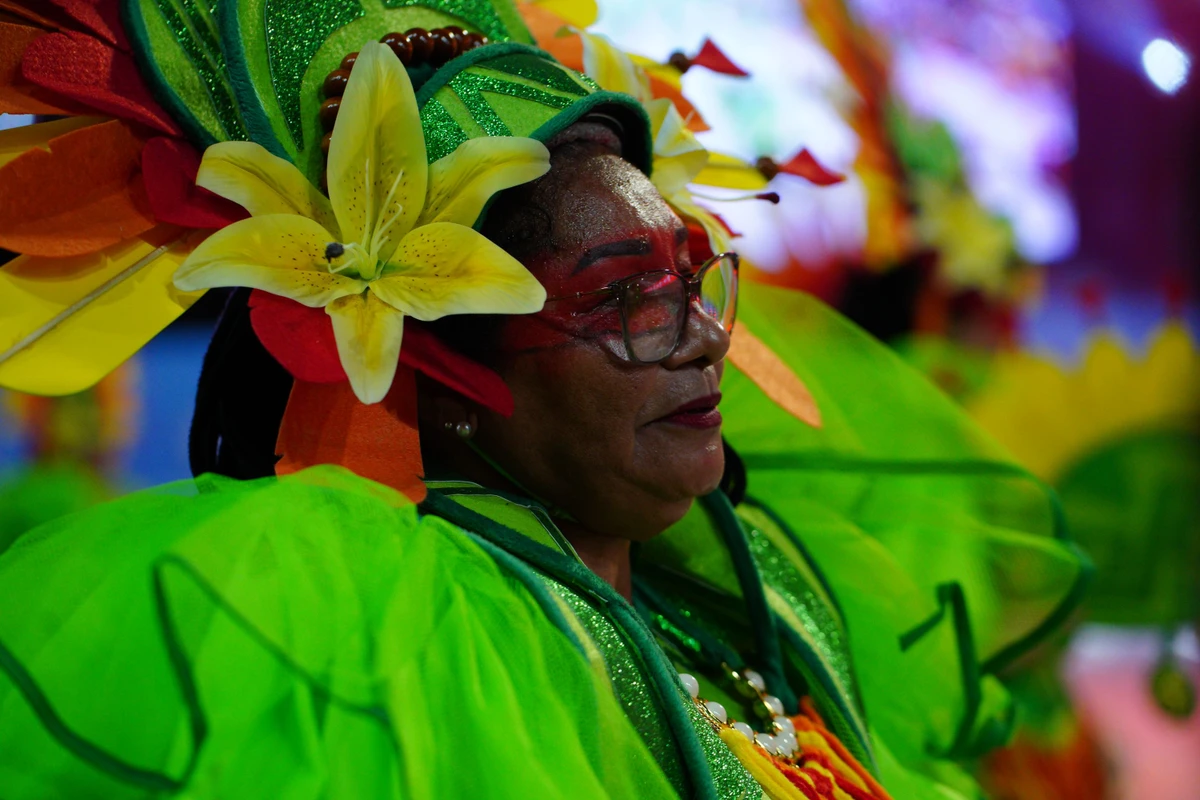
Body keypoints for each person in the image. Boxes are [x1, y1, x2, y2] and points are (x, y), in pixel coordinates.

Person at [0, 1, 1089, 798]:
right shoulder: (404, 666)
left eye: (695, 278)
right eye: (622, 297)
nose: (706, 337)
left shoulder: (749, 598)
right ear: (434, 363)